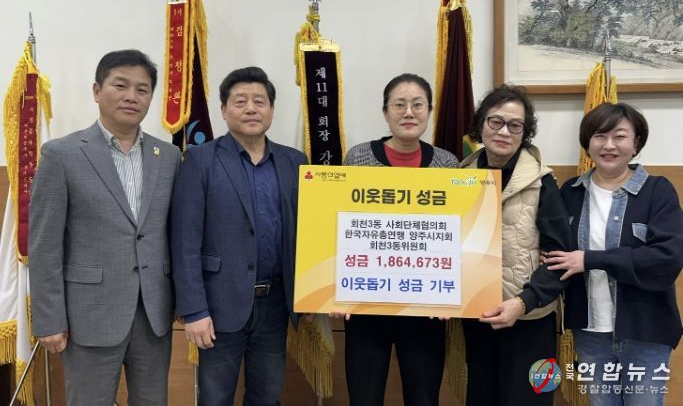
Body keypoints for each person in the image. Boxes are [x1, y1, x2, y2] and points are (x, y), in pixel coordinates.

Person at [29, 49, 180, 406]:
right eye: (120, 86)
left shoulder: (169, 157)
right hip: (89, 314)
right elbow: (45, 244)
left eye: (142, 89)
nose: (131, 96)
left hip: (153, 313)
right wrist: (49, 319)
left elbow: (174, 234)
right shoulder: (61, 154)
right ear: (97, 91)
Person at [170, 66, 307, 406]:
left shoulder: (295, 162)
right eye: (240, 101)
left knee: (267, 397)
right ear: (223, 110)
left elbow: (308, 232)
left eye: (259, 101)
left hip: (275, 303)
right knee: (215, 399)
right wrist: (193, 310)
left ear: (272, 110)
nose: (250, 109)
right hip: (218, 306)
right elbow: (185, 242)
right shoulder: (200, 160)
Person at [545, 102, 683, 406]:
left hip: (645, 331)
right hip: (590, 332)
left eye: (620, 136)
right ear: (588, 143)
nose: (609, 145)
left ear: (636, 144)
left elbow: (667, 258)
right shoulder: (570, 192)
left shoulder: (657, 191)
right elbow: (554, 252)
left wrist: (590, 259)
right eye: (600, 136)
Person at [335, 73, 459, 406]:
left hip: (426, 306)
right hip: (366, 304)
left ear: (429, 111)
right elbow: (342, 227)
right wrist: (334, 290)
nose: (408, 112)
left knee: (423, 397)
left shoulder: (447, 164)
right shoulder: (358, 157)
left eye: (418, 105)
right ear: (385, 112)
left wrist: (455, 295)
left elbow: (456, 235)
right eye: (399, 105)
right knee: (364, 397)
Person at [459, 84, 570, 406]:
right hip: (479, 316)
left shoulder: (542, 182)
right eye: (496, 121)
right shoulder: (460, 178)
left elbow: (560, 258)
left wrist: (523, 303)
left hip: (530, 317)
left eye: (515, 125)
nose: (504, 131)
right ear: (481, 124)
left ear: (525, 133)